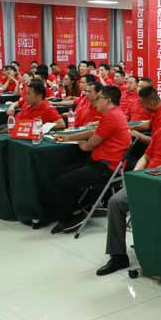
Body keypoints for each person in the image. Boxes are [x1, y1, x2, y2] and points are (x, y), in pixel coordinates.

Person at [97, 99, 161, 275]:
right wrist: (136, 174)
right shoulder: (160, 132)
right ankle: (118, 256)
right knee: (115, 202)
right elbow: (146, 157)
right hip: (146, 181)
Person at [53, 86, 132, 233]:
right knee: (64, 170)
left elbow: (89, 146)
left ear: (108, 100)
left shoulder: (111, 117)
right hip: (104, 163)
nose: (95, 101)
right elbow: (94, 132)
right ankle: (78, 208)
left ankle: (69, 220)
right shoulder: (115, 113)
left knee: (63, 182)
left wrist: (82, 144)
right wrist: (69, 137)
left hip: (106, 167)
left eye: (99, 98)